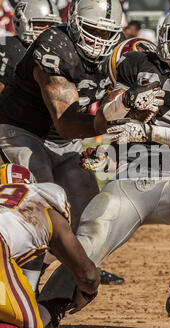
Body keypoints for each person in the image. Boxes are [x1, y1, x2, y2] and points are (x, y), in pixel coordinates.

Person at [37, 10, 170, 328]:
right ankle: (48, 308)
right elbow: (109, 113)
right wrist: (127, 100)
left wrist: (153, 134)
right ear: (162, 37)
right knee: (87, 244)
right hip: (132, 178)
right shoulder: (137, 63)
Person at [0, 0, 125, 290]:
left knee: (92, 214)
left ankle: (58, 289)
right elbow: (66, 122)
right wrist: (113, 119)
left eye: (108, 34)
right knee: (43, 207)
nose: (100, 41)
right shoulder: (54, 46)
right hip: (21, 130)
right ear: (75, 23)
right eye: (93, 30)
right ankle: (26, 286)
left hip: (65, 141)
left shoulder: (117, 56)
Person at [0, 163, 100, 328]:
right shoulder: (42, 202)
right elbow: (88, 276)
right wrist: (88, 292)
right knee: (29, 325)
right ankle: (51, 308)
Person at [0, 0, 62, 94]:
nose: (47, 33)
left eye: (52, 26)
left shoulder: (61, 53)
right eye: (40, 25)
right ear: (20, 23)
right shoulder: (10, 49)